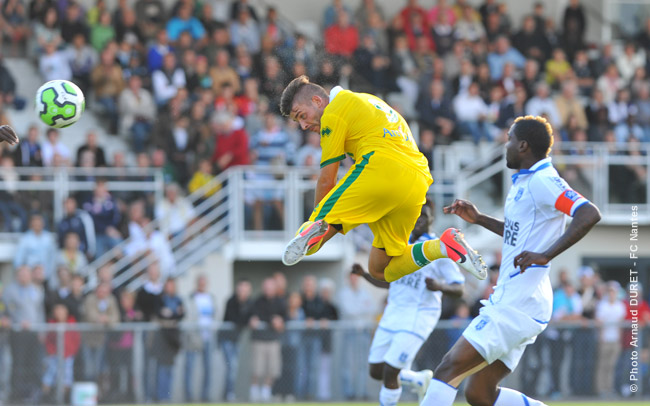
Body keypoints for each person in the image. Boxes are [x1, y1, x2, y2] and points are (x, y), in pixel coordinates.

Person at [419, 115, 601, 406]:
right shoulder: (526, 181)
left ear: (524, 146)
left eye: (510, 140)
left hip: (518, 301)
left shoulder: (543, 179)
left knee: (447, 369)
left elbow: (589, 213)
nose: (506, 146)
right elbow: (519, 235)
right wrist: (479, 219)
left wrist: (545, 255)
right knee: (479, 393)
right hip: (523, 301)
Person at [278, 75, 487, 283]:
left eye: (301, 116)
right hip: (417, 181)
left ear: (317, 101)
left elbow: (326, 179)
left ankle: (312, 230)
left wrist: (319, 215)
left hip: (381, 168)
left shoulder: (334, 111)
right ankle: (443, 246)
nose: (303, 125)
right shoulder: (370, 100)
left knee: (314, 236)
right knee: (380, 269)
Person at [354, 199, 465, 405]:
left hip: (418, 317)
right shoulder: (399, 245)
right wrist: (365, 276)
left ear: (433, 217)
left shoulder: (436, 249)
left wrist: (440, 286)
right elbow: (391, 283)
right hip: (393, 313)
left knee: (390, 371)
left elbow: (459, 288)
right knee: (376, 371)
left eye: (424, 215)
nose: (420, 220)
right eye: (416, 216)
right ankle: (419, 379)